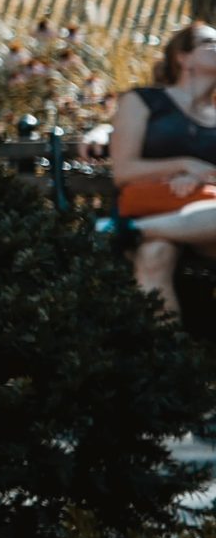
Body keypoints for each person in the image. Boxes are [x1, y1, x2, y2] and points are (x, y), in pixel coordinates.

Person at [108, 23, 216, 317]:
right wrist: (184, 165)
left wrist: (195, 180)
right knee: (154, 254)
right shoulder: (144, 101)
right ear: (183, 57)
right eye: (209, 43)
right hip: (155, 208)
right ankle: (168, 358)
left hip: (207, 218)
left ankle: (125, 231)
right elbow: (123, 172)